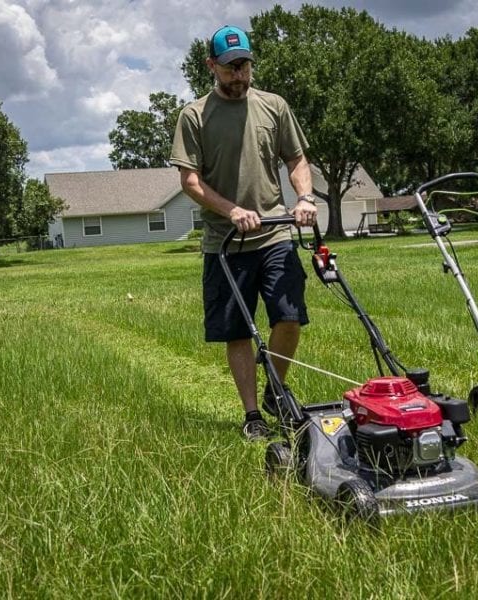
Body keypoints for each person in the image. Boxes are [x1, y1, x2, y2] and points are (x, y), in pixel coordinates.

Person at [170, 24, 317, 441]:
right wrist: (232, 210)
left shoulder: (274, 106)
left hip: (274, 233)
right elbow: (190, 181)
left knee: (289, 316)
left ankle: (275, 390)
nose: (239, 75)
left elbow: (296, 159)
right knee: (237, 330)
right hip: (225, 241)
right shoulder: (194, 115)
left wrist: (304, 198)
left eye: (244, 66)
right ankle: (253, 415)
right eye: (230, 67)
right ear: (211, 66)